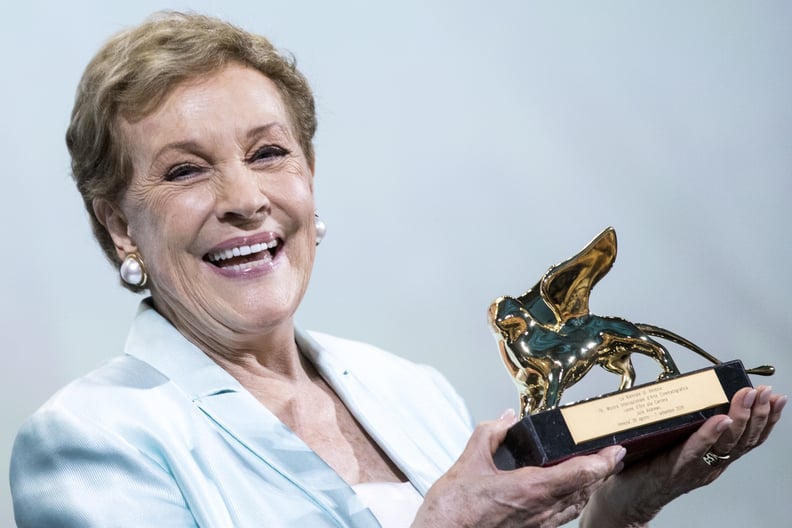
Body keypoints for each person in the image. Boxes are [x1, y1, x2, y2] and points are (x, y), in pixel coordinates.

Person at [9, 11, 785, 528]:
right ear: (118, 224)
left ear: (311, 180)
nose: (245, 200)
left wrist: (614, 512)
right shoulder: (89, 440)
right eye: (185, 171)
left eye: (269, 153)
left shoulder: (411, 388)